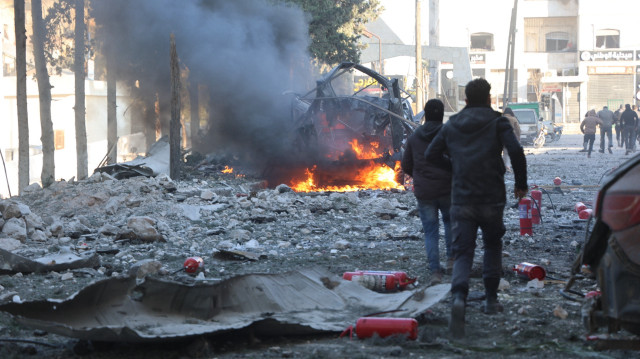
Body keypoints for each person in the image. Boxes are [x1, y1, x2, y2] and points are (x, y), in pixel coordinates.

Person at [425, 78, 528, 339]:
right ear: (489, 98)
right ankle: (491, 301)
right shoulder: (498, 122)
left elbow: (430, 155)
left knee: (462, 251)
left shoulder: (453, 125)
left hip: (462, 199)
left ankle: (459, 297)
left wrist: (456, 167)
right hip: (492, 197)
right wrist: (520, 183)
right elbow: (516, 151)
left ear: (466, 101)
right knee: (493, 246)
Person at [401, 99, 453, 286]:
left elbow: (406, 164)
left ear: (425, 114)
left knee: (430, 231)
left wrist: (419, 175)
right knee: (450, 224)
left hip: (424, 192)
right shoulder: (449, 134)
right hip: (448, 189)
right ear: (442, 114)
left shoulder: (415, 137)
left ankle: (435, 271)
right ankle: (451, 261)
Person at [501, 107, 521, 172]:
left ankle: (505, 166)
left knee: (504, 152)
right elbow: (518, 129)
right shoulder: (513, 119)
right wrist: (518, 137)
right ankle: (508, 166)